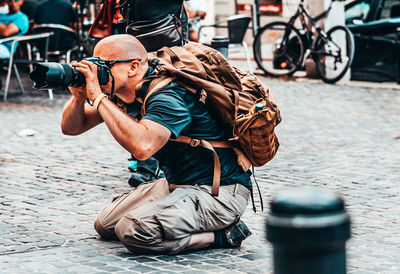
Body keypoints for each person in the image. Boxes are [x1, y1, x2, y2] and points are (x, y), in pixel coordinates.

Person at [61, 34, 252, 254]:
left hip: (217, 191)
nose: (97, 71)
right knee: (105, 224)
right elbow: (72, 128)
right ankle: (175, 213)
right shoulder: (122, 92)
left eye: (104, 65)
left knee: (134, 230)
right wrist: (78, 97)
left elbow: (143, 148)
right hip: (175, 183)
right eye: (95, 63)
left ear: (133, 67)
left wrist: (99, 98)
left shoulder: (167, 95)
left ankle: (224, 235)